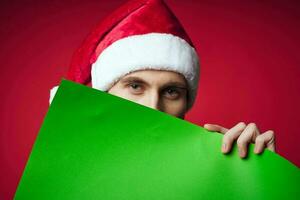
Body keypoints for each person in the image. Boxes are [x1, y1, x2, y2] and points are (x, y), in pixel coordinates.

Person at [50, 0, 275, 159]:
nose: (153, 108)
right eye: (135, 86)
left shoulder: (213, 174)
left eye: (171, 92)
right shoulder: (58, 167)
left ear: (186, 103)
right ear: (104, 93)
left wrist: (259, 178)